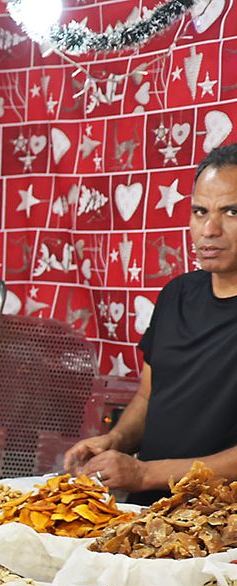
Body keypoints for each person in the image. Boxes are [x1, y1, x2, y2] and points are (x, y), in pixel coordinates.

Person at [65, 145, 237, 502]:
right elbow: (148, 395)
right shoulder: (177, 294)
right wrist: (116, 440)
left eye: (231, 212)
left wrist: (145, 473)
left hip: (220, 529)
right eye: (199, 211)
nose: (209, 229)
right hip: (148, 517)